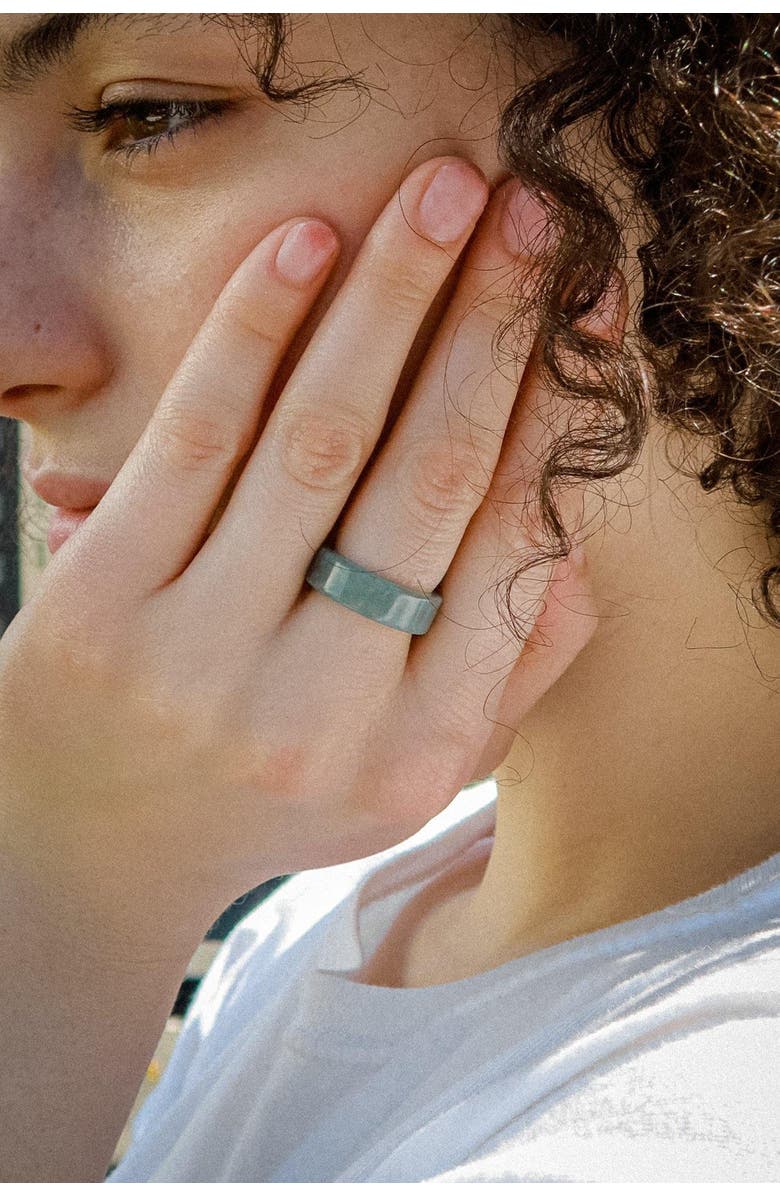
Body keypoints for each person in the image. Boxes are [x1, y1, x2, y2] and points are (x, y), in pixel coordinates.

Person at [0, 12, 777, 1183]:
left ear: (688, 118)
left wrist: (67, 890)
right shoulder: (337, 909)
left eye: (146, 115)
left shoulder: (677, 1132)